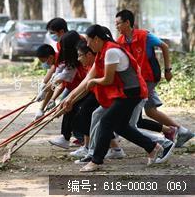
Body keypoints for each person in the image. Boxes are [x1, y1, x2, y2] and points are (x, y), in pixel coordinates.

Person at [63, 25, 165, 172]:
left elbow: (107, 80)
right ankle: (152, 147)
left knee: (105, 121)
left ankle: (96, 161)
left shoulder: (111, 51)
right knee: (119, 126)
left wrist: (94, 82)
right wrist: (70, 99)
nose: (88, 45)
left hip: (132, 93)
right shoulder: (101, 53)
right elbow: (87, 80)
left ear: (97, 39)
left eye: (89, 41)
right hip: (123, 94)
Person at [115, 9, 194, 147]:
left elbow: (164, 46)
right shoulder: (120, 41)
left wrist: (167, 69)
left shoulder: (144, 36)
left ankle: (168, 137)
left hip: (149, 77)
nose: (116, 27)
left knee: (135, 118)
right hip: (137, 80)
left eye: (118, 24)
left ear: (127, 23)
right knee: (150, 111)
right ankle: (179, 130)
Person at [34, 18, 69, 119]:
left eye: (52, 33)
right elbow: (56, 75)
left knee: (65, 105)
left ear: (61, 31)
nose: (51, 35)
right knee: (65, 105)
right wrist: (44, 85)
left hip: (79, 79)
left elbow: (60, 78)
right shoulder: (59, 45)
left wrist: (46, 92)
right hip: (69, 79)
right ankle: (66, 134)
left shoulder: (72, 42)